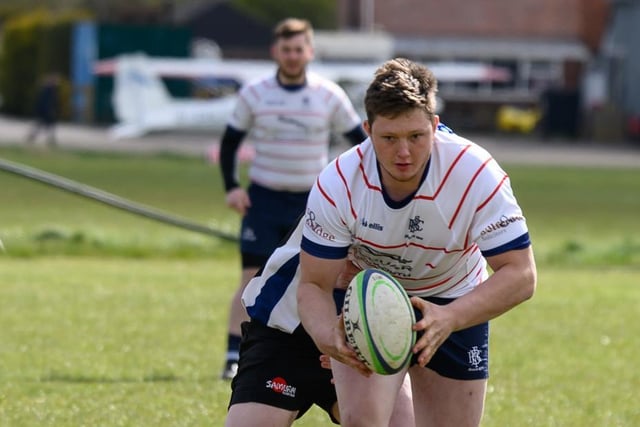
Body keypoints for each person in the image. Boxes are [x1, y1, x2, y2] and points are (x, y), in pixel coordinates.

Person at [295, 57, 537, 426]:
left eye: (416, 137)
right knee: (362, 421)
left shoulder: (474, 173)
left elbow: (521, 275)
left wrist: (451, 317)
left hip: (454, 296)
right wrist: (330, 336)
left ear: (435, 126)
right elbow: (313, 283)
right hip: (368, 298)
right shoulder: (339, 182)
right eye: (389, 138)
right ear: (367, 130)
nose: (403, 152)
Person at [218, 17, 367, 380]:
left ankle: (326, 352)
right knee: (251, 275)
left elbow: (361, 146)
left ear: (310, 52)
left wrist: (360, 194)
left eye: (299, 49)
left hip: (312, 204)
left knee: (323, 278)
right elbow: (229, 144)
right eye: (286, 49)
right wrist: (231, 187)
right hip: (264, 201)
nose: (292, 56)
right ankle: (234, 354)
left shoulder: (329, 95)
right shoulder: (255, 93)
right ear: (276, 52)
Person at [224, 221, 415, 426]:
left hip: (368, 340)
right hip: (285, 331)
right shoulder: (343, 193)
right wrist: (327, 338)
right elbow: (338, 271)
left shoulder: (438, 214)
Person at [27, 73, 60, 147]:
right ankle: (34, 137)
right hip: (45, 112)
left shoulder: (51, 89)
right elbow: (46, 102)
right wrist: (49, 111)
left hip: (45, 112)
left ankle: (50, 139)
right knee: (43, 126)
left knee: (46, 126)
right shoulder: (48, 90)